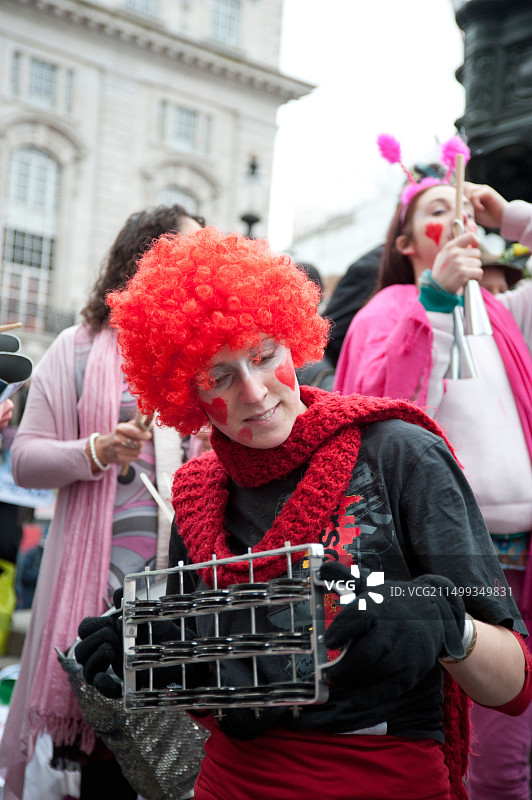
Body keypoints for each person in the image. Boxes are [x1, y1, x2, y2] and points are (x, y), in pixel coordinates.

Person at [76, 225, 531, 800]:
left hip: (384, 777)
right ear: (184, 394)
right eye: (218, 376)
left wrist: (447, 624)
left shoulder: (399, 452)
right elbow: (219, 700)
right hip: (231, 783)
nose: (255, 390)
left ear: (295, 340)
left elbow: (513, 683)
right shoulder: (197, 494)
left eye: (265, 356)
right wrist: (153, 655)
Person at [334, 164, 532, 800]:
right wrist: (436, 303)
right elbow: (374, 418)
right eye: (436, 212)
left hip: (524, 548)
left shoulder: (502, 310)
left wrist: (513, 218)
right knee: (485, 760)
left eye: (465, 210)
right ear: (406, 242)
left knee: (516, 738)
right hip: (451, 564)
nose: (460, 220)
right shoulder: (384, 311)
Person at [0, 204, 204, 800]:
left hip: (180, 589)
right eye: (182, 249)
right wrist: (97, 449)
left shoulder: (198, 351)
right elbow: (26, 460)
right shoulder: (79, 347)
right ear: (143, 255)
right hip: (97, 590)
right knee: (100, 756)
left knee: (170, 757)